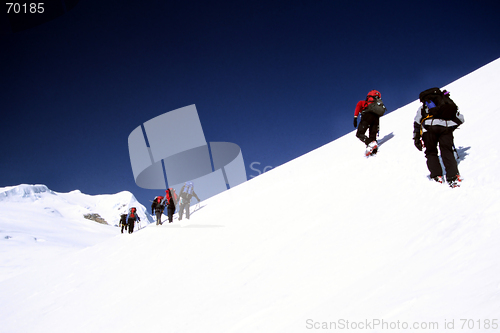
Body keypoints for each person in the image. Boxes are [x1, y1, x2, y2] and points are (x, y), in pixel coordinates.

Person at [413, 88, 464, 187]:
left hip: (429, 130)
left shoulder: (424, 107)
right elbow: (460, 118)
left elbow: (417, 122)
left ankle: (437, 176)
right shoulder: (445, 102)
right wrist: (451, 127)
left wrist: (416, 138)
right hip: (445, 129)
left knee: (431, 152)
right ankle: (453, 177)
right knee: (447, 150)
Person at [353, 90, 386, 156]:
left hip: (367, 116)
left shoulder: (362, 102)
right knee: (372, 135)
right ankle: (374, 151)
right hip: (376, 118)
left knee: (359, 134)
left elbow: (358, 106)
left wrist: (355, 118)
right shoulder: (375, 105)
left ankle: (370, 143)